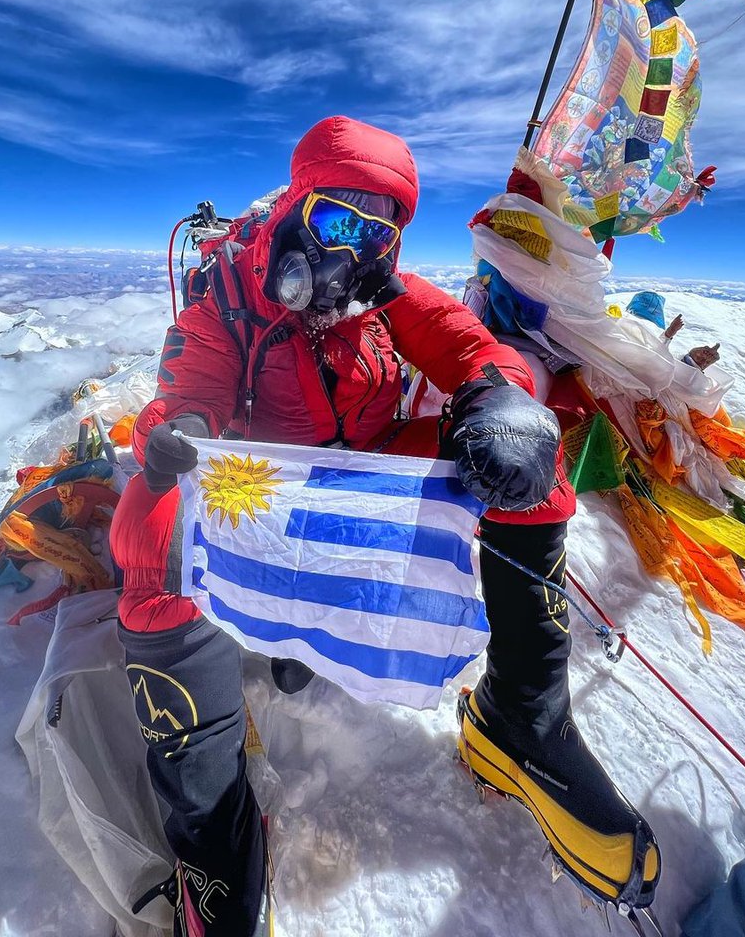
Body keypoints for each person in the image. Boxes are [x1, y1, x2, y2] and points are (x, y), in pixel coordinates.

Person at [110, 116, 659, 933]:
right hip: (263, 494)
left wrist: (502, 396)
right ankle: (214, 835)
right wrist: (182, 425)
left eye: (378, 232)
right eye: (337, 220)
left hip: (361, 477)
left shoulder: (384, 292)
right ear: (299, 208)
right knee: (148, 530)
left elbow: (472, 346)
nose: (352, 251)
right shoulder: (229, 295)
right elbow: (194, 378)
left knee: (520, 471)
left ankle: (518, 718)